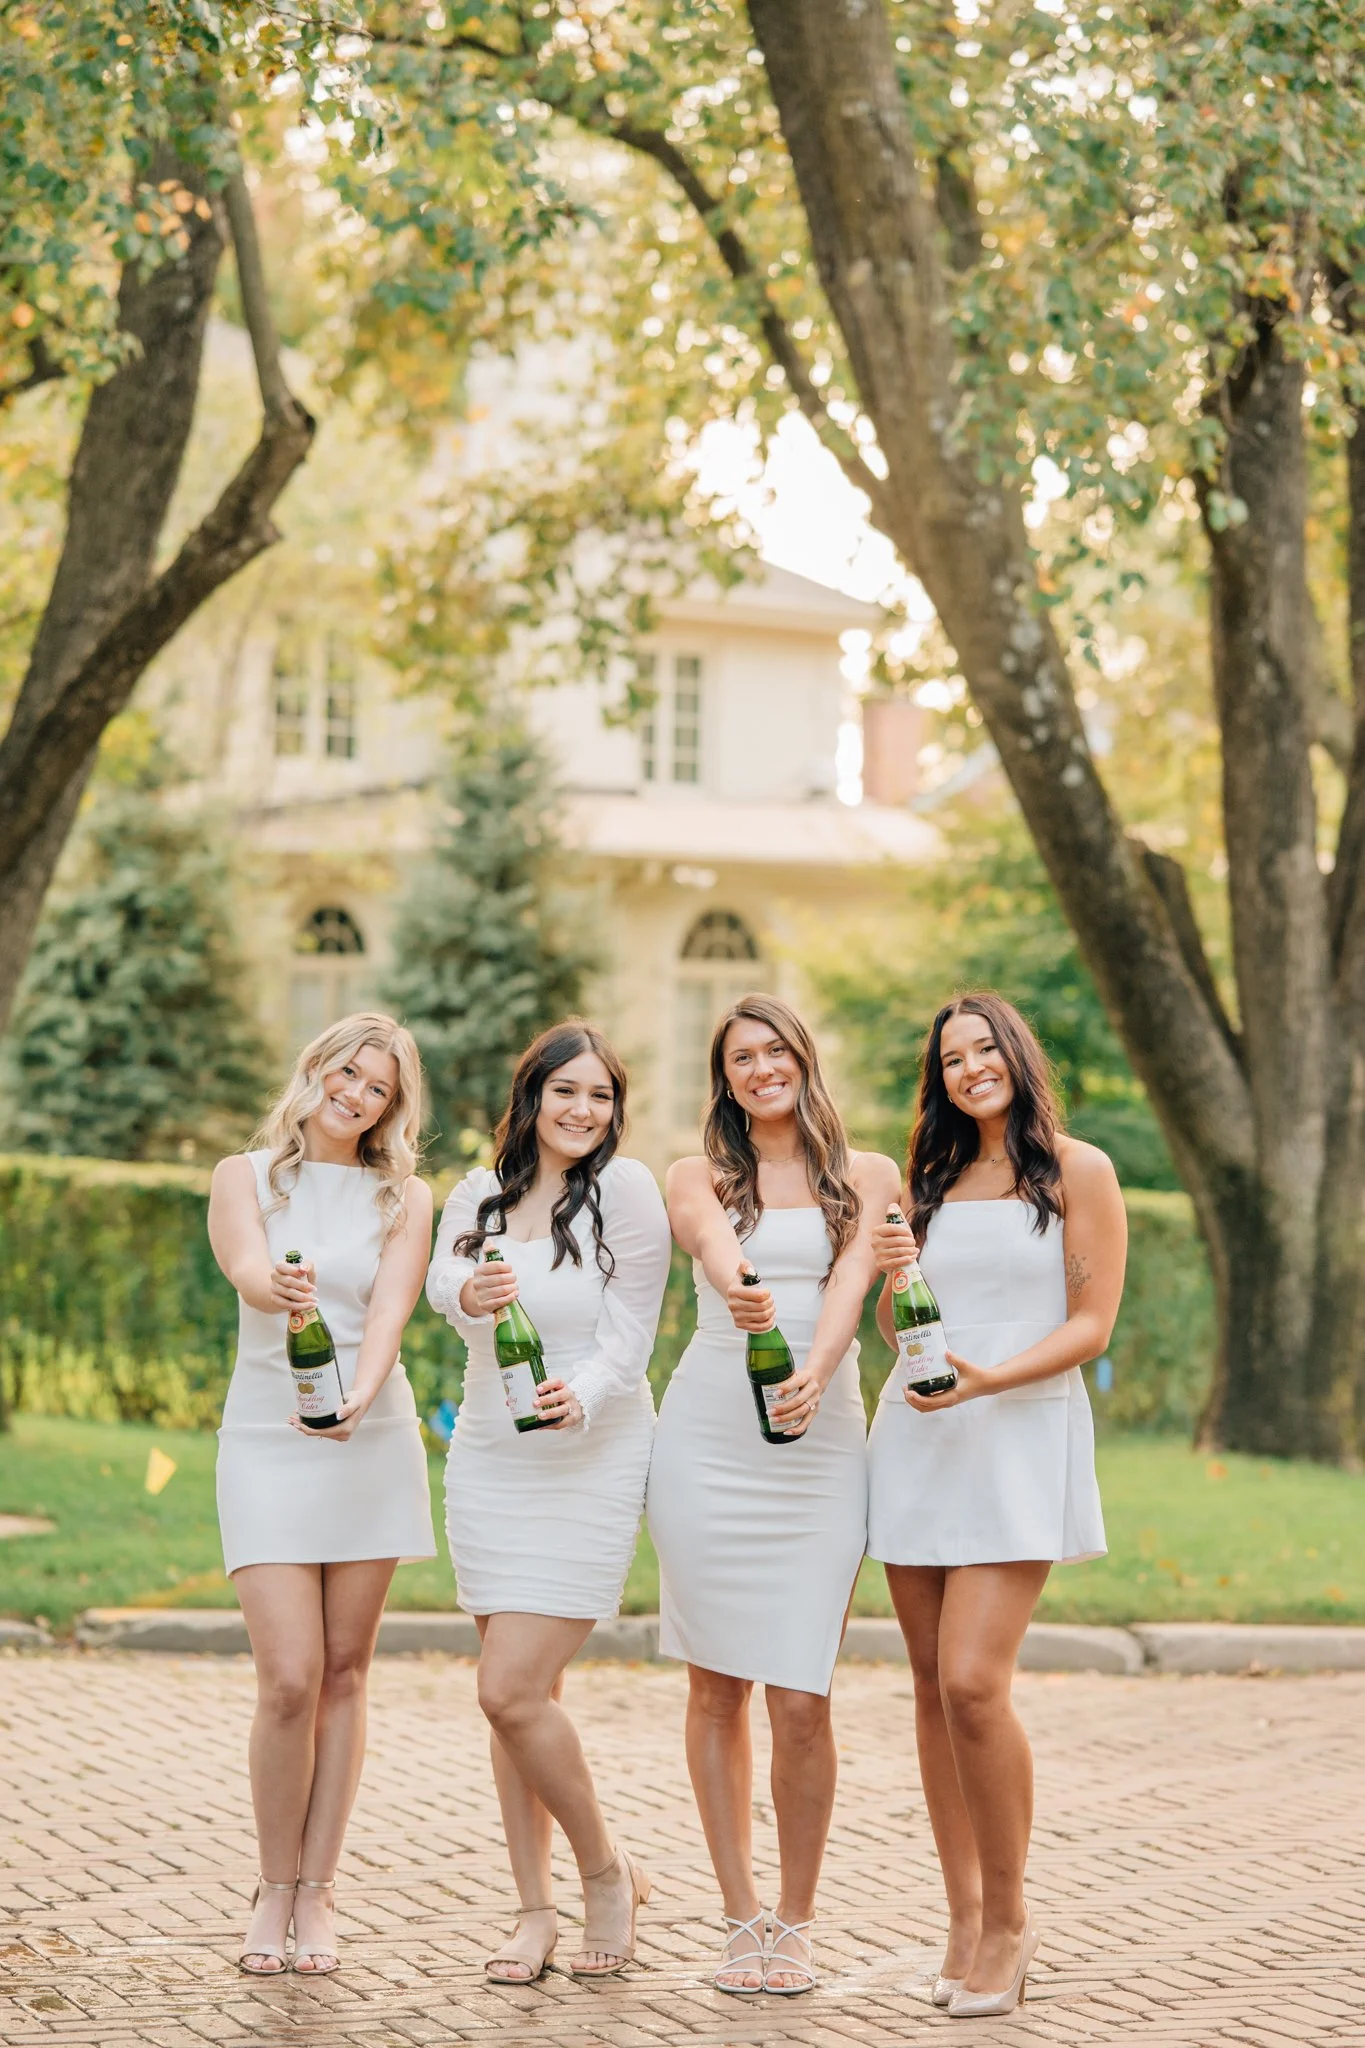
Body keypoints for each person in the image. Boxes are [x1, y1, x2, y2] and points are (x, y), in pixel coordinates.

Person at [867, 993, 1126, 2019]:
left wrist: (994, 1379)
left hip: (1016, 1433)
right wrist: (896, 1276)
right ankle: (964, 1915)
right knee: (931, 1690)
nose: (971, 1066)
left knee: (975, 1681)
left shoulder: (1078, 1168)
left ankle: (1013, 1919)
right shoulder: (928, 1178)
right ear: (939, 1077)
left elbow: (1092, 1321)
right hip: (920, 1436)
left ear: (1015, 1054)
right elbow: (901, 1323)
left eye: (984, 1048)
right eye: (952, 1057)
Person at [647, 993, 897, 1997]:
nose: (760, 1068)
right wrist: (744, 1284)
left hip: (822, 1443)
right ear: (727, 1078)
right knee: (716, 1686)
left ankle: (796, 1915)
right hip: (710, 1440)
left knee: (801, 1695)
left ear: (803, 1057)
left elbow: (848, 1285)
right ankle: (739, 1910)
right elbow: (710, 1239)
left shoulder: (869, 1176)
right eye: (740, 1057)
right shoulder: (695, 1172)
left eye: (774, 1049)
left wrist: (814, 1369)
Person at [426, 1021, 670, 1982]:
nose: (582, 1111)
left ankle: (605, 1873)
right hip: (489, 1453)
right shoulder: (474, 1196)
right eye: (565, 1091)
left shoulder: (628, 1192)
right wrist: (468, 1295)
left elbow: (634, 1330)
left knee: (507, 1687)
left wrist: (590, 1393)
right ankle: (534, 1912)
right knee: (519, 1705)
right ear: (531, 1096)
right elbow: (446, 1278)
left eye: (600, 1096)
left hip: (591, 1452)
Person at [208, 1012, 436, 1977]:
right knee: (290, 1676)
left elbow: (389, 1306)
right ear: (317, 1069)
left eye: (378, 1087)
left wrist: (364, 1390)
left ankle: (317, 1889)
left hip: (368, 1434)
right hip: (265, 1437)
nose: (356, 1094)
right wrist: (284, 1291)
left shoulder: (406, 1196)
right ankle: (270, 1884)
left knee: (346, 1672)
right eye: (348, 1072)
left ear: (392, 1105)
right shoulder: (243, 1177)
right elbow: (249, 1271)